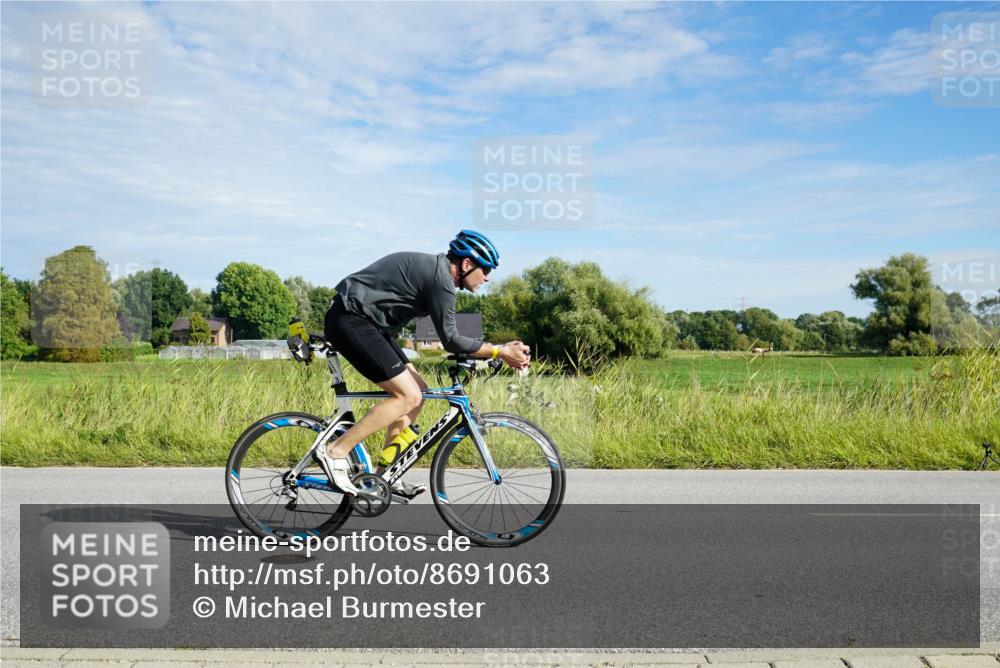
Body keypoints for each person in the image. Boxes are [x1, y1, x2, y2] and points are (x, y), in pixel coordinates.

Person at [315, 230, 531, 499]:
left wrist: (495, 353)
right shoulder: (441, 280)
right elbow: (451, 340)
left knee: (419, 394)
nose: (487, 277)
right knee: (408, 395)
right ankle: (335, 451)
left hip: (369, 324)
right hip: (351, 319)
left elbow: (450, 337)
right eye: (485, 269)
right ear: (466, 265)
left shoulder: (439, 274)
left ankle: (382, 477)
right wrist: (499, 351)